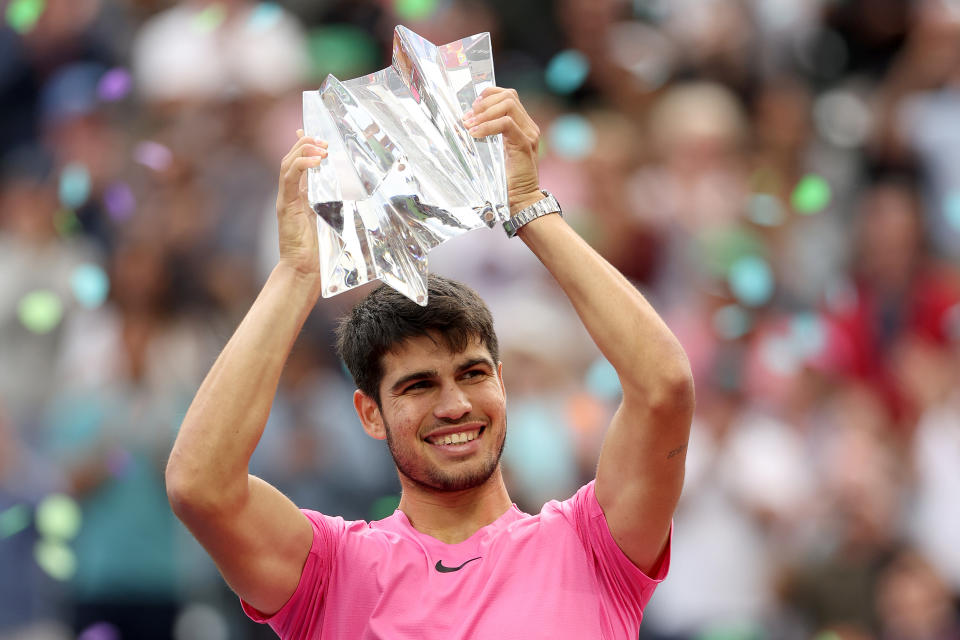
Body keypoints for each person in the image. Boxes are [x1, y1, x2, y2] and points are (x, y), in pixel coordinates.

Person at [165, 87, 695, 639]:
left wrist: (529, 207)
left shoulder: (592, 544)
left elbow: (665, 386)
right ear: (370, 414)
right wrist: (299, 272)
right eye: (419, 385)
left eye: (473, 372)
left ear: (502, 382)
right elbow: (200, 486)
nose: (456, 404)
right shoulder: (330, 570)